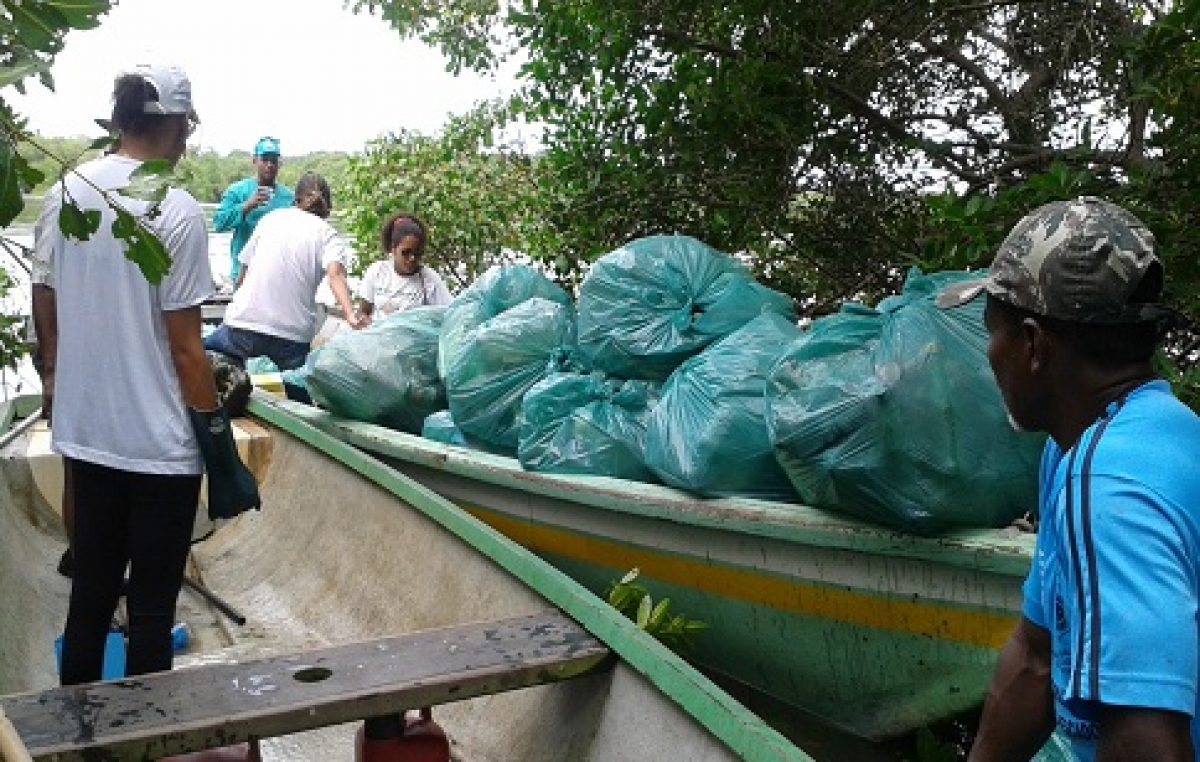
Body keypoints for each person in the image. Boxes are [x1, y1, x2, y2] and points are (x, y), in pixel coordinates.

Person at [936, 197, 1200, 761]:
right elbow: (1036, 658)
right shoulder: (1090, 443)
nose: (990, 355)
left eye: (992, 333)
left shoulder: (1108, 488)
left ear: (1032, 345)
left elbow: (1146, 743)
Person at [32, 63, 259, 685]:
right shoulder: (177, 208)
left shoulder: (68, 192)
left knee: (90, 603)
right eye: (188, 125)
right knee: (153, 614)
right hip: (158, 449)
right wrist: (215, 441)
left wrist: (54, 380)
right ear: (176, 124)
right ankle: (145, 747)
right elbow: (187, 350)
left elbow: (43, 296)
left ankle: (80, 740)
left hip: (86, 438)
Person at [204, 171, 364, 375]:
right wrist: (350, 314)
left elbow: (241, 277)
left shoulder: (271, 218)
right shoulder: (328, 234)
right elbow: (336, 276)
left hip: (244, 327)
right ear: (327, 207)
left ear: (294, 199)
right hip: (292, 337)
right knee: (295, 388)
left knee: (202, 354)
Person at [212, 136, 295, 284]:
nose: (269, 165)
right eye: (264, 159)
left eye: (274, 160)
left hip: (278, 275)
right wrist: (247, 206)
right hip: (244, 275)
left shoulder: (289, 197)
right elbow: (218, 223)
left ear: (279, 163)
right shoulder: (237, 191)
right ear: (255, 160)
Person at [357, 212, 453, 320]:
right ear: (393, 249)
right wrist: (363, 321)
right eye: (406, 252)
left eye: (417, 253)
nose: (412, 258)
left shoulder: (429, 280)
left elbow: (450, 314)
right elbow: (363, 311)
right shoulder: (377, 271)